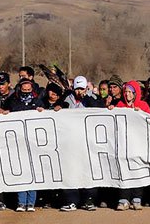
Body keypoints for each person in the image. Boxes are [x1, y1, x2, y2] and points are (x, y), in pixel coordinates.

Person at [60, 76, 104, 212]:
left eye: (82, 88)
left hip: (88, 141)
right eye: (77, 88)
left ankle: (89, 200)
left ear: (86, 88)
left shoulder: (93, 98)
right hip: (71, 141)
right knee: (71, 171)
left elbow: (99, 108)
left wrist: (87, 97)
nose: (79, 91)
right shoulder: (67, 98)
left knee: (89, 171)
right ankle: (71, 201)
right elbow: (60, 110)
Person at [108, 81, 150, 210]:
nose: (127, 94)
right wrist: (110, 110)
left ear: (136, 93)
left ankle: (137, 198)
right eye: (126, 92)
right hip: (122, 144)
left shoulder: (143, 105)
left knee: (138, 170)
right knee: (123, 170)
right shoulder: (119, 105)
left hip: (139, 144)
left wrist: (141, 114)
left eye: (130, 92)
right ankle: (123, 198)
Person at [6, 78, 45, 211]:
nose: (26, 92)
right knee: (21, 172)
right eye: (24, 90)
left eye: (29, 90)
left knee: (32, 172)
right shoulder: (13, 101)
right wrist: (5, 114)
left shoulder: (38, 102)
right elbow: (5, 113)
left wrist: (42, 111)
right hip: (17, 142)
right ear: (19, 89)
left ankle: (31, 202)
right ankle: (21, 202)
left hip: (33, 142)